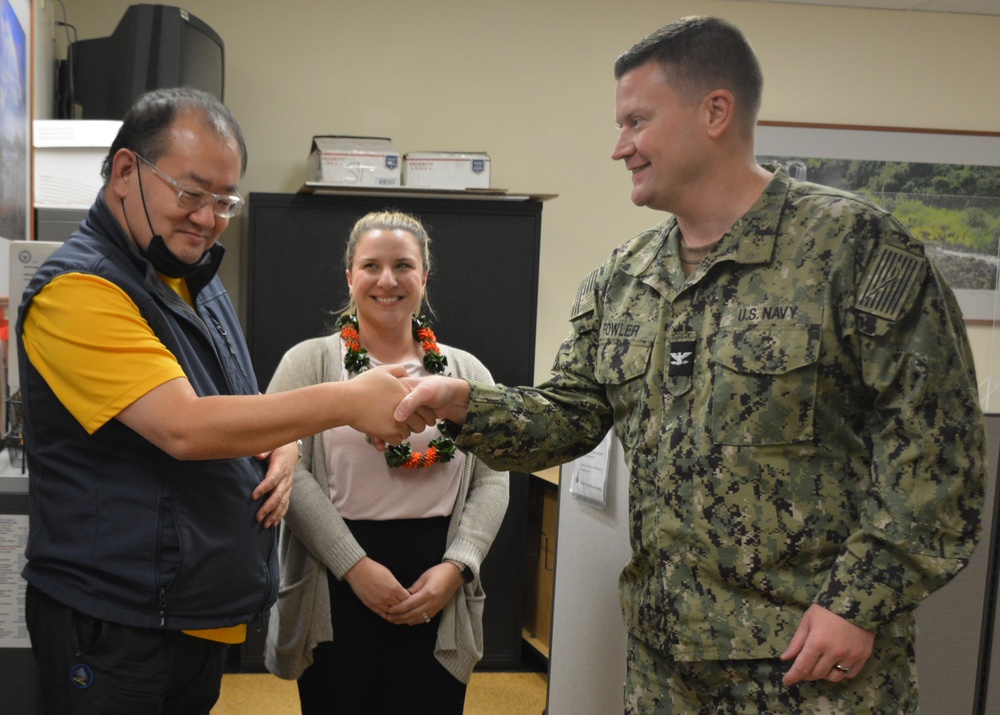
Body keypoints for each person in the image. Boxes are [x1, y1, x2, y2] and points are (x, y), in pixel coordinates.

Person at [393, 16, 987, 714]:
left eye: (637, 121)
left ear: (715, 111)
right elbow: (568, 417)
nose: (620, 148)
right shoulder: (624, 279)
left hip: (810, 663)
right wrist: (462, 401)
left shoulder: (853, 249)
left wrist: (858, 602)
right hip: (665, 662)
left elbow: (938, 454)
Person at [16, 88, 424, 714]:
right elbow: (184, 426)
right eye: (191, 193)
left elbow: (240, 404)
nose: (207, 218)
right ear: (126, 171)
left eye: (224, 200)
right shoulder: (77, 292)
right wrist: (345, 402)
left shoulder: (192, 279)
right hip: (117, 626)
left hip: (192, 619)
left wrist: (283, 444)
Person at [263, 210, 509, 714]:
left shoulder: (466, 372)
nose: (387, 280)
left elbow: (493, 479)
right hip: (334, 576)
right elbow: (290, 474)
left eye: (403, 265)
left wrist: (458, 567)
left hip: (437, 574)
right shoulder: (307, 364)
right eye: (371, 265)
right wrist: (354, 567)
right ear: (349, 276)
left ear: (424, 276)